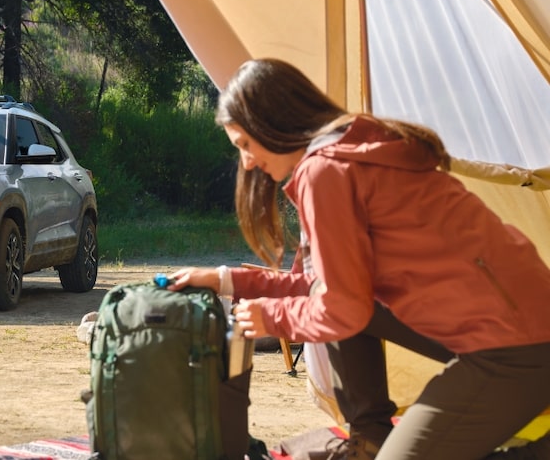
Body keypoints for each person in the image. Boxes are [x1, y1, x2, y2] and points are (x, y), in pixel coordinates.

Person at [167, 58, 550, 459]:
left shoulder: (327, 171)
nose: (247, 162)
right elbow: (323, 283)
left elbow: (341, 308)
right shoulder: (351, 149)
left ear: (273, 121)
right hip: (512, 324)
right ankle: (370, 440)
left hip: (514, 347)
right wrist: (225, 279)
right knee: (333, 300)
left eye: (245, 144)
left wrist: (272, 317)